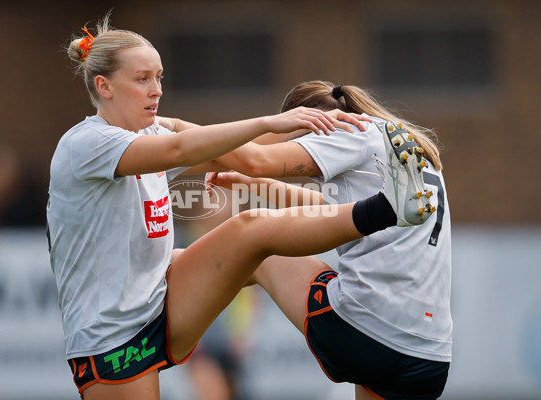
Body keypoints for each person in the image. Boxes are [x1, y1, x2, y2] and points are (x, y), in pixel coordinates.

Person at [46, 14, 433, 400]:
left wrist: (309, 136)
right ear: (104, 86)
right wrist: (270, 122)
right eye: (142, 79)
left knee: (253, 229)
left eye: (159, 76)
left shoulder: (149, 131)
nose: (156, 89)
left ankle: (385, 213)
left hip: (162, 295)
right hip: (113, 335)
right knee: (250, 230)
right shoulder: (87, 144)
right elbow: (182, 148)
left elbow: (232, 154)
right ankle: (386, 211)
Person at [205, 80, 451, 400]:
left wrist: (181, 134)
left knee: (259, 245)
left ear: (305, 124)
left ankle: (171, 296)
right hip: (430, 354)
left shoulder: (344, 132)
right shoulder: (400, 141)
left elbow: (256, 159)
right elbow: (334, 213)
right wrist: (252, 184)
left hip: (366, 330)